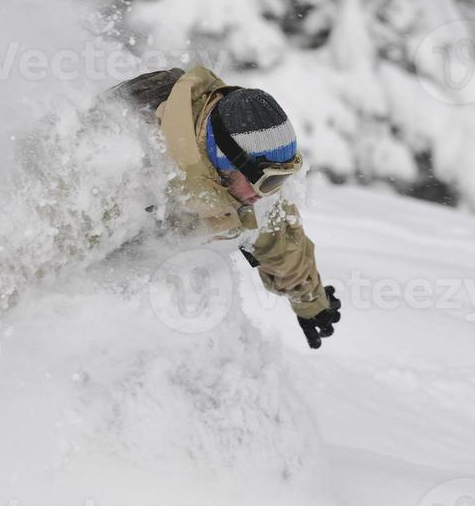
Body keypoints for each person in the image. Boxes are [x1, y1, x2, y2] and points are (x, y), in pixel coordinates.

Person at [109, 65, 342, 348]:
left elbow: (279, 236)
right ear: (227, 162)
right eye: (270, 181)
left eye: (284, 178)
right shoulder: (129, 166)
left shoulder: (246, 185)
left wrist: (310, 298)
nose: (272, 193)